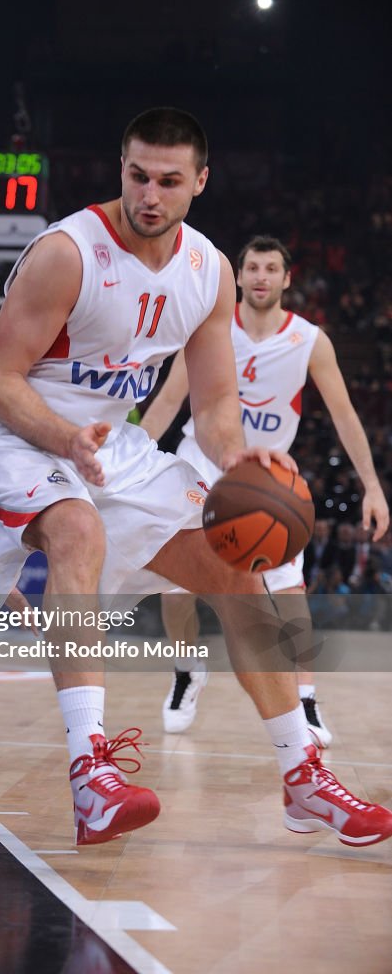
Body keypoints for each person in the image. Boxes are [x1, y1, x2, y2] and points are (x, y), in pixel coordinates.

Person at [0, 108, 392, 848]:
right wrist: (63, 438)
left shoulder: (207, 271)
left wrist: (238, 453)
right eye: (137, 176)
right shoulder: (67, 253)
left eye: (168, 181)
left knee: (233, 566)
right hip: (13, 433)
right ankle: (90, 775)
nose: (149, 194)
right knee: (76, 526)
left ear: (199, 183)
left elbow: (215, 402)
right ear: (121, 169)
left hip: (105, 443)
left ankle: (301, 775)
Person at [140, 235, 389, 743]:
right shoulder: (211, 330)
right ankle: (187, 670)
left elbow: (345, 416)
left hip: (267, 479)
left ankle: (306, 700)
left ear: (286, 278)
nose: (259, 276)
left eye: (270, 268)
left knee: (289, 592)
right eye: (252, 267)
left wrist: (372, 486)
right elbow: (168, 402)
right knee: (175, 588)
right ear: (237, 275)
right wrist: (128, 459)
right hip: (200, 464)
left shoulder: (309, 340)